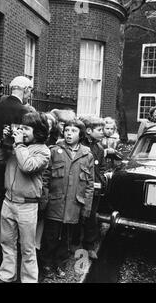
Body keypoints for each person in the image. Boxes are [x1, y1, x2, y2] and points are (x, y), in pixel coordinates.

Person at [0, 76, 33, 271]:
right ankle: (7, 260)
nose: (30, 94)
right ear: (25, 90)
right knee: (10, 220)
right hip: (11, 171)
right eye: (30, 90)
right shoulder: (23, 111)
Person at [0, 112, 50, 283]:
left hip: (27, 205)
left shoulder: (43, 151)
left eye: (27, 128)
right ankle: (7, 275)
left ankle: (29, 280)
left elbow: (27, 166)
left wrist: (18, 144)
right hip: (8, 201)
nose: (22, 131)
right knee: (6, 243)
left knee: (27, 248)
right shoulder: (17, 146)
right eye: (21, 127)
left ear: (38, 131)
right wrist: (3, 142)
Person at [40, 119, 94, 279]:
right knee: (50, 236)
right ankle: (46, 264)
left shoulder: (87, 155)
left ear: (81, 134)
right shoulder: (54, 151)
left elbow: (90, 184)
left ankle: (60, 264)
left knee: (66, 239)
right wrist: (44, 200)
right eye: (67, 130)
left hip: (74, 206)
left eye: (74, 131)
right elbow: (45, 178)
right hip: (55, 203)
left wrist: (87, 207)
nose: (69, 133)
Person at [74, 115, 106, 260]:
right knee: (77, 215)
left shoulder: (99, 147)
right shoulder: (81, 146)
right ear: (88, 131)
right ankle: (74, 244)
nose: (103, 132)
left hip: (94, 188)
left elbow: (102, 168)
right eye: (99, 130)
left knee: (91, 216)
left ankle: (89, 245)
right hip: (80, 186)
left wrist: (102, 181)